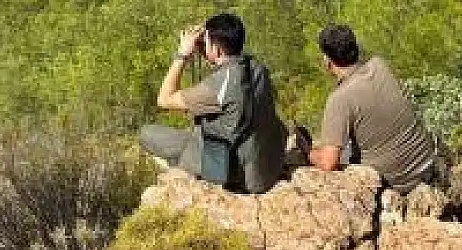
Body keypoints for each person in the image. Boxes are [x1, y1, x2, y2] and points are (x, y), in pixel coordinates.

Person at [139, 13, 288, 194]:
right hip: (265, 168)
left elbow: (164, 99)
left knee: (147, 133)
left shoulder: (220, 85)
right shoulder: (258, 69)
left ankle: (180, 168)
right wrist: (209, 49)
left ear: (216, 48)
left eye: (206, 40)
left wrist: (182, 55)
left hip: (237, 174)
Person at [306, 24, 438, 194]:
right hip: (427, 164)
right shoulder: (380, 65)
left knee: (333, 156)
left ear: (327, 61)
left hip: (398, 183)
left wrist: (308, 151)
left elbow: (328, 163)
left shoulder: (339, 99)